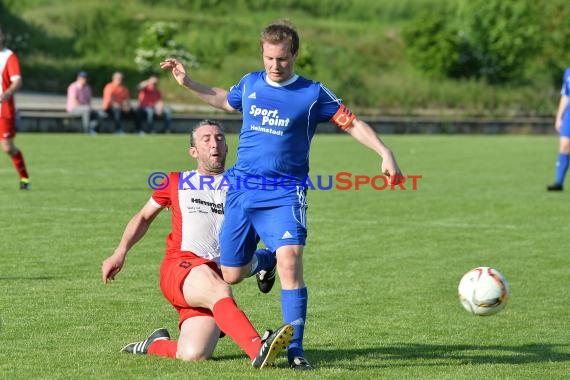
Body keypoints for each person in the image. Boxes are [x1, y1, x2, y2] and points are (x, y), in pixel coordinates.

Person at [161, 19, 403, 370]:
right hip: (241, 192)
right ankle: (264, 261)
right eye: (269, 59)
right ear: (263, 54)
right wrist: (188, 83)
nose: (275, 66)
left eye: (283, 59)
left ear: (295, 55)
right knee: (230, 273)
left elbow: (352, 123)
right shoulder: (251, 83)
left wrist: (384, 152)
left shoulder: (313, 93)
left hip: (285, 193)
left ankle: (295, 350)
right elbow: (223, 100)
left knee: (291, 260)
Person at [101, 120, 293, 368]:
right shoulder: (175, 181)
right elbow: (143, 217)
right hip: (181, 266)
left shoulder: (242, 185)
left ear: (227, 148)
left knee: (193, 353)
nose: (214, 143)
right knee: (220, 290)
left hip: (216, 272)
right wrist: (120, 252)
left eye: (220, 138)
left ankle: (153, 344)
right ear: (194, 151)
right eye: (206, 139)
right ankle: (259, 349)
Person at [0, 24, 30, 190]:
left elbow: (17, 81)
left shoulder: (9, 57)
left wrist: (7, 93)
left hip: (3, 109)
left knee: (7, 147)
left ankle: (24, 178)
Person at [547, 67, 570, 191]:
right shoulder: (568, 72)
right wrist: (559, 117)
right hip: (569, 115)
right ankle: (559, 183)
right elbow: (565, 95)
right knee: (564, 146)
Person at [66, 71, 103, 135]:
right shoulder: (73, 87)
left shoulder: (87, 88)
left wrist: (89, 107)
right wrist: (86, 107)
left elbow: (88, 101)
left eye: (85, 78)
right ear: (78, 78)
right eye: (82, 78)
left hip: (85, 108)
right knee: (86, 110)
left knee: (101, 114)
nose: (84, 79)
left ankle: (92, 128)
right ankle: (87, 130)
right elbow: (74, 100)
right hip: (74, 108)